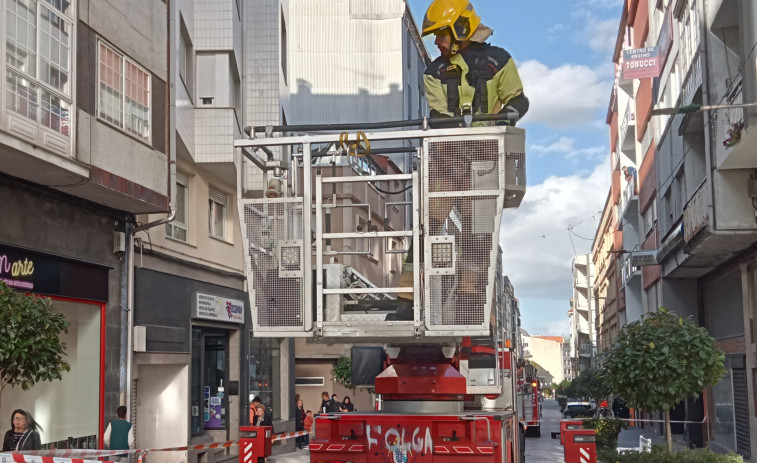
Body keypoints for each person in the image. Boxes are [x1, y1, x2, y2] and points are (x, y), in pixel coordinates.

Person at [421, 0, 528, 127]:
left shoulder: (499, 60)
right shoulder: (434, 73)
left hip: (493, 143)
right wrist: (461, 140)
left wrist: (503, 122)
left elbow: (517, 100)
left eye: (441, 35)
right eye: (435, 36)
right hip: (453, 145)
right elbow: (439, 113)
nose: (436, 42)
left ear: (460, 29)